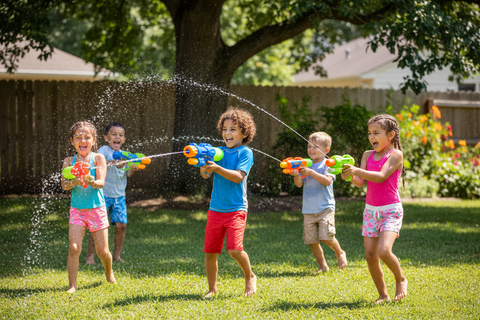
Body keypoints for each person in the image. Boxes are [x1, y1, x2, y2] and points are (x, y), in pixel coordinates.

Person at [341, 114, 407, 303]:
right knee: (370, 255)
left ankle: (400, 279)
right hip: (371, 211)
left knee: (383, 251)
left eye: (376, 133)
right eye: (369, 133)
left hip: (391, 210)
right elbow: (361, 182)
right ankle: (383, 294)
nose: (371, 137)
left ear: (391, 134)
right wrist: (349, 175)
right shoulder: (367, 155)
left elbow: (380, 176)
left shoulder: (395, 155)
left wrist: (356, 170)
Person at [199, 107, 257, 298]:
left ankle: (250, 276)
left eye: (233, 129)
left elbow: (238, 177)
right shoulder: (219, 152)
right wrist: (205, 164)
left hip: (236, 209)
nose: (227, 133)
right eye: (224, 129)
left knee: (234, 249)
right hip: (215, 209)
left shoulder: (245, 153)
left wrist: (217, 168)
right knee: (210, 252)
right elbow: (205, 174)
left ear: (244, 132)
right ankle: (212, 289)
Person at [61, 121, 116, 293]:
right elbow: (64, 185)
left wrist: (91, 181)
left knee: (102, 251)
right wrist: (74, 181)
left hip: (96, 209)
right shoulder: (69, 161)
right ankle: (72, 285)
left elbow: (100, 183)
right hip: (77, 210)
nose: (83, 140)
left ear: (94, 140)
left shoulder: (98, 158)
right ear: (72, 141)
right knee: (74, 248)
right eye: (78, 137)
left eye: (87, 137)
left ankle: (109, 272)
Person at [291, 132, 347, 272]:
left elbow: (327, 181)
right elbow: (299, 184)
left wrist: (311, 172)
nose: (311, 149)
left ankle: (339, 252)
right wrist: (297, 175)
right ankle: (323, 266)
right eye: (309, 146)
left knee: (326, 237)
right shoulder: (305, 164)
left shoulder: (328, 164)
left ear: (326, 150)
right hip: (308, 209)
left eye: (315, 147)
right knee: (312, 241)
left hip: (325, 208)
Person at [85, 122, 138, 264]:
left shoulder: (125, 155)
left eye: (120, 135)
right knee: (97, 226)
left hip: (119, 196)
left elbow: (127, 174)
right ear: (106, 138)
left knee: (122, 226)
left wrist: (132, 169)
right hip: (102, 195)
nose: (117, 137)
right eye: (113, 134)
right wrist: (115, 163)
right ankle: (90, 256)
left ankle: (117, 256)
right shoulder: (103, 150)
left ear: (124, 140)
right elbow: (99, 164)